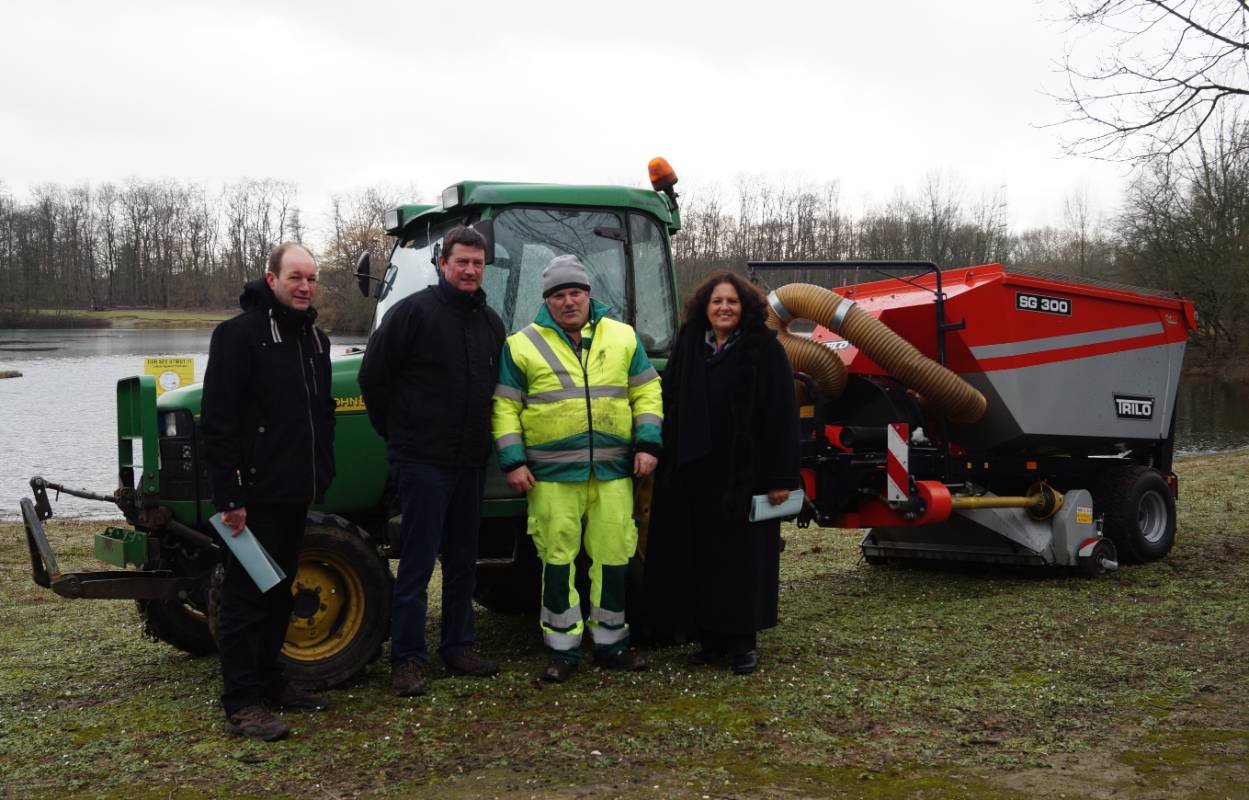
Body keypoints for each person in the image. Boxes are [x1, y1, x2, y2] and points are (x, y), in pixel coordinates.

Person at [492, 254, 663, 683]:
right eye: (559, 295)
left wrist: (647, 444)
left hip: (612, 474)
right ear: (547, 300)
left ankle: (611, 643)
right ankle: (562, 650)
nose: (569, 301)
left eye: (576, 292)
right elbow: (505, 408)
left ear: (589, 295)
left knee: (613, 557)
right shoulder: (521, 344)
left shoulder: (623, 338)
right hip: (551, 478)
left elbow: (647, 395)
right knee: (557, 560)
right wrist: (513, 462)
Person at [358, 225, 505, 697]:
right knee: (418, 564)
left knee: (464, 560)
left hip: (470, 462)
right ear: (443, 264)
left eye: (477, 263)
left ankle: (458, 648)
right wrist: (399, 436)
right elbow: (373, 380)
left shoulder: (490, 324)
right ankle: (406, 659)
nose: (469, 270)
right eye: (461, 261)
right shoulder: (411, 314)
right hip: (422, 461)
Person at [201, 242, 336, 741]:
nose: (304, 287)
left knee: (280, 590)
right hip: (251, 497)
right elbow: (218, 420)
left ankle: (272, 682)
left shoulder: (315, 341)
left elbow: (319, 414)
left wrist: (324, 469)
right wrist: (230, 495)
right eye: (295, 277)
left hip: (295, 489)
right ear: (271, 279)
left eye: (311, 279)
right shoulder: (239, 336)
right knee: (243, 597)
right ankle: (241, 703)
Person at [645, 269, 800, 675]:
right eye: (717, 302)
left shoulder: (764, 348)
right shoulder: (689, 346)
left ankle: (742, 643)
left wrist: (782, 477)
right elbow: (669, 398)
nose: (724, 308)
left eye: (731, 301)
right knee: (699, 558)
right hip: (695, 474)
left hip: (743, 475)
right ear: (705, 308)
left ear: (744, 307)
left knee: (742, 561)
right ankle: (709, 639)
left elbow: (782, 413)